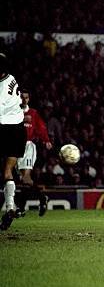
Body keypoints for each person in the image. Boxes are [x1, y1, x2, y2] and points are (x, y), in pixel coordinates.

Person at [15, 89, 52, 217]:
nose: (24, 100)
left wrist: (46, 140)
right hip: (15, 147)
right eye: (21, 97)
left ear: (28, 99)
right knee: (24, 180)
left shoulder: (33, 113)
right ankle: (24, 205)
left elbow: (41, 127)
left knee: (26, 177)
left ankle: (37, 200)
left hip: (27, 147)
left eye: (26, 97)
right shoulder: (13, 112)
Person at [0, 53, 27, 231]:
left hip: (4, 128)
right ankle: (10, 206)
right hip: (19, 129)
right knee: (8, 171)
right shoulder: (12, 78)